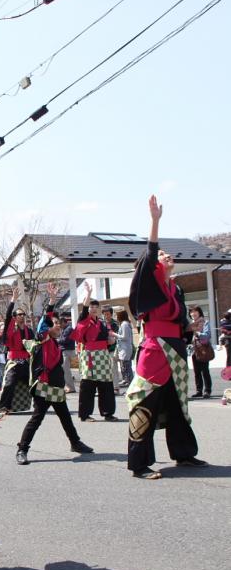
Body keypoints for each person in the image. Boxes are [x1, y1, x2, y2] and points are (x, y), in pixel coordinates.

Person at [126, 195, 207, 479]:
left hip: (175, 347)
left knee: (177, 402)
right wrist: (155, 221)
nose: (166, 256)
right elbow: (150, 254)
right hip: (154, 349)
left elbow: (180, 320)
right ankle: (139, 464)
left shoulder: (176, 288)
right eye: (162, 255)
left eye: (167, 254)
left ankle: (184, 454)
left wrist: (189, 328)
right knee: (145, 402)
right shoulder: (152, 280)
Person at [15, 285, 93, 465]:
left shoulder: (58, 343)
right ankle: (22, 450)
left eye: (60, 324)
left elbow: (81, 321)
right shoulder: (43, 338)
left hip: (56, 388)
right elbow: (45, 321)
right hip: (44, 386)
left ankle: (75, 443)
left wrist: (87, 301)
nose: (59, 326)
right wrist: (51, 301)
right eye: (56, 324)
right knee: (37, 418)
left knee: (65, 416)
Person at [73, 283, 117, 423]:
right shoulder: (84, 320)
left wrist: (110, 340)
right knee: (88, 385)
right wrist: (88, 294)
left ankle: (108, 412)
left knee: (106, 384)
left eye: (95, 307)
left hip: (103, 355)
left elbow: (108, 337)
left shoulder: (103, 323)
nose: (92, 309)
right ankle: (85, 415)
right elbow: (85, 309)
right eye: (91, 306)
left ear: (99, 310)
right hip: (90, 355)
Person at [0, 286, 34, 413]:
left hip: (26, 362)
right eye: (19, 314)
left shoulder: (29, 330)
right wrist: (13, 300)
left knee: (34, 383)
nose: (22, 316)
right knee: (9, 384)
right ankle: (3, 407)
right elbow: (8, 317)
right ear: (15, 317)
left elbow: (34, 345)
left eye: (23, 314)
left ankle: (41, 405)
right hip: (14, 362)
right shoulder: (12, 330)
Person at [189, 307, 212, 399]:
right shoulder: (190, 325)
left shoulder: (205, 322)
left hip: (203, 349)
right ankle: (199, 391)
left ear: (199, 313)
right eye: (191, 312)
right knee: (196, 371)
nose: (193, 313)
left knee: (205, 371)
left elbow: (207, 335)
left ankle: (207, 391)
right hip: (194, 350)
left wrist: (198, 334)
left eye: (195, 311)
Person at [102, 306, 120, 393]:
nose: (106, 316)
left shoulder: (115, 324)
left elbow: (115, 336)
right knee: (105, 370)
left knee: (113, 368)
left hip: (113, 349)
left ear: (111, 314)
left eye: (108, 314)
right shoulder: (101, 323)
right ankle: (108, 388)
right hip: (103, 350)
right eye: (104, 314)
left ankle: (116, 388)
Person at [115, 310, 134, 387]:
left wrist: (115, 334)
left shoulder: (124, 324)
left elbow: (124, 337)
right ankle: (128, 381)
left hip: (125, 349)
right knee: (126, 366)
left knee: (126, 367)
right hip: (125, 348)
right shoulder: (126, 324)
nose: (116, 317)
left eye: (117, 316)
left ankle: (129, 382)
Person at [58, 315, 76, 393]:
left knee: (66, 370)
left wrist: (57, 340)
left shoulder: (69, 329)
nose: (59, 325)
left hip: (67, 351)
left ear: (64, 322)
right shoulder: (65, 329)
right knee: (64, 370)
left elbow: (65, 340)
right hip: (65, 351)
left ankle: (70, 387)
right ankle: (68, 386)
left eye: (60, 323)